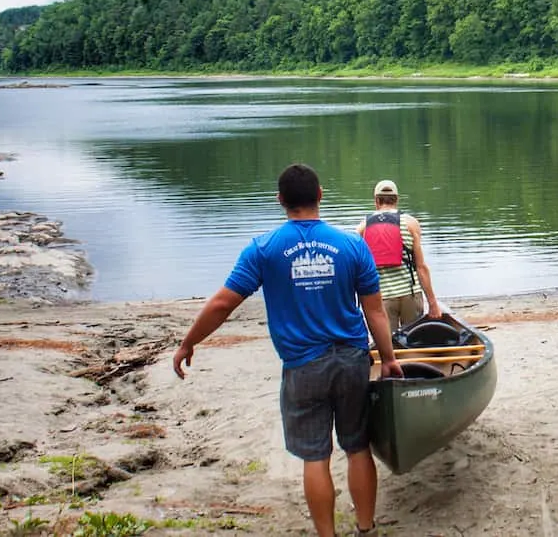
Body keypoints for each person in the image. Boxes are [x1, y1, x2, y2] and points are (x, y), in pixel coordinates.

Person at [172, 164, 403, 537]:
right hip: (351, 360)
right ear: (321, 195)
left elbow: (222, 304)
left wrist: (188, 342)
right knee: (357, 446)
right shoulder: (352, 245)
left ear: (280, 200)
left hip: (303, 365)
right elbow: (374, 310)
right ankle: (366, 528)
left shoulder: (264, 249)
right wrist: (389, 358)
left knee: (315, 455)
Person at [356, 179, 441, 332]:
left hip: (382, 297)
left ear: (376, 200)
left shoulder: (363, 228)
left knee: (390, 345)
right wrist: (432, 303)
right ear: (397, 199)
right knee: (413, 342)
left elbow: (359, 271)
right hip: (410, 294)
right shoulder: (411, 224)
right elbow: (420, 267)